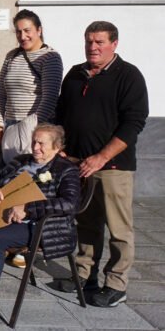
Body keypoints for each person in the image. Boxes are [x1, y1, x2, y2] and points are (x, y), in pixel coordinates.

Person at [55, 21, 148, 308]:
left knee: (119, 229)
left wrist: (102, 157)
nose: (93, 47)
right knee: (86, 223)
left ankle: (116, 283)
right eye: (89, 42)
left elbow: (133, 123)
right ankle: (85, 275)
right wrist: (59, 148)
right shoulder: (74, 74)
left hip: (112, 168)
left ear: (114, 44)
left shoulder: (128, 76)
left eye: (99, 42)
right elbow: (61, 113)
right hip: (78, 164)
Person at [0, 124, 80, 317]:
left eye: (41, 143)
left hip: (40, 225)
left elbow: (69, 204)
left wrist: (29, 210)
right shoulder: (21, 161)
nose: (35, 147)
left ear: (57, 147)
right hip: (5, 214)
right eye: (33, 142)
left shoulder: (66, 170)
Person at [0, 10, 63, 164]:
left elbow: (49, 99)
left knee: (30, 176)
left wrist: (32, 129)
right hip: (10, 125)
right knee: (11, 174)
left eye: (27, 31)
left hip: (34, 129)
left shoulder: (50, 58)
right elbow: (0, 94)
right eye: (18, 32)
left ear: (39, 30)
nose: (22, 37)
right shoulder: (12, 56)